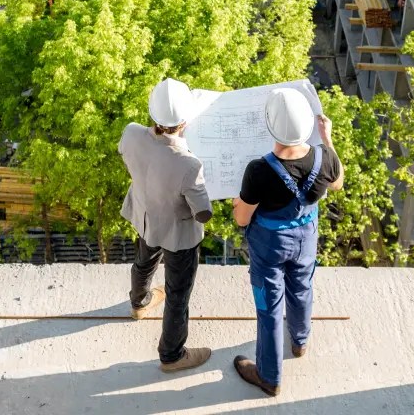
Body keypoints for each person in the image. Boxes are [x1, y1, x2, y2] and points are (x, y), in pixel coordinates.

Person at [230, 89, 343, 396]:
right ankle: (300, 341)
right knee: (302, 287)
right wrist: (327, 139)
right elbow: (337, 181)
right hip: (306, 239)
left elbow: (242, 219)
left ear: (271, 126)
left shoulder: (258, 170)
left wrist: (237, 202)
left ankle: (269, 377)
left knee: (269, 306)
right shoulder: (325, 157)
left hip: (270, 246)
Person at [117, 78, 215, 372]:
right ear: (185, 122)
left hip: (145, 215)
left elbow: (130, 155)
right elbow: (203, 214)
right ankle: (172, 355)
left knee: (144, 262)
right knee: (177, 292)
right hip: (178, 233)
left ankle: (139, 303)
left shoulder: (131, 133)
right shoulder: (188, 164)